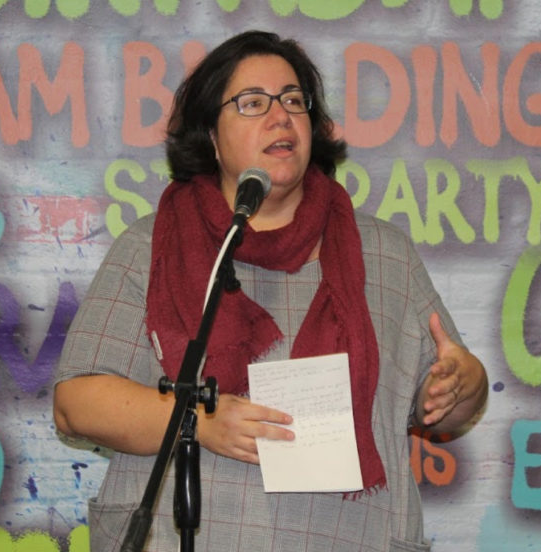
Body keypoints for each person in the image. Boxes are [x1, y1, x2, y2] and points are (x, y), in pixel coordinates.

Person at [53, 30, 488, 552]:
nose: (280, 116)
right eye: (252, 103)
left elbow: (446, 403)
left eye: (293, 101)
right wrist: (202, 421)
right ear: (211, 136)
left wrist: (464, 384)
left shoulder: (384, 254)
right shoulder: (156, 245)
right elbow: (76, 405)